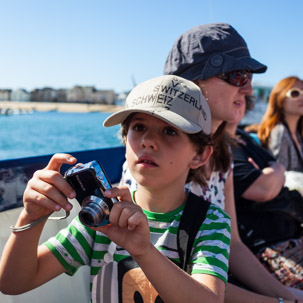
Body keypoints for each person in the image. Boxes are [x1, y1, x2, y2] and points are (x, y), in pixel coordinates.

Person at [0, 75, 231, 303]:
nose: (147, 141)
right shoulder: (99, 218)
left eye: (170, 131)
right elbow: (13, 283)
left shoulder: (210, 223)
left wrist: (144, 251)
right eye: (139, 127)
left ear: (200, 154)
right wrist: (31, 217)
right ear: (125, 139)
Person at [120, 23, 302, 302]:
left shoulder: (221, 156)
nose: (249, 89)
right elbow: (173, 268)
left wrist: (285, 294)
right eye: (238, 76)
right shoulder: (158, 164)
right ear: (195, 83)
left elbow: (234, 246)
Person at [225, 95, 303, 292]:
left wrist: (273, 172)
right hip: (268, 247)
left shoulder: (243, 139)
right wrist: (275, 171)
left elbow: (276, 174)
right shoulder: (222, 149)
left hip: (290, 232)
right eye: (233, 78)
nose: (245, 89)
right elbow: (263, 189)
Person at [258, 76, 303, 195]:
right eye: (295, 93)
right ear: (280, 99)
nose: (302, 97)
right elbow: (280, 177)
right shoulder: (279, 132)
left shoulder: (298, 133)